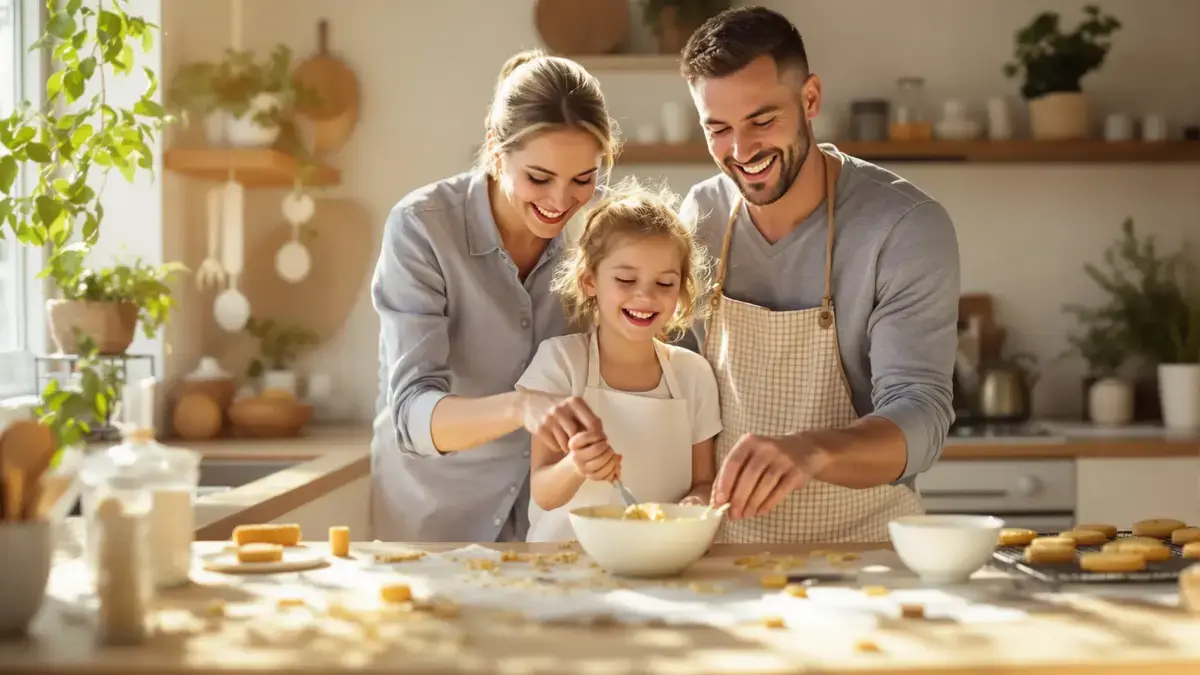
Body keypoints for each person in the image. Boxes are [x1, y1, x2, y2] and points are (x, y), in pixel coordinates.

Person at [676, 6, 960, 543]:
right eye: (718, 129)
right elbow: (674, 389)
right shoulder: (700, 219)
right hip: (717, 557)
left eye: (762, 121)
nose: (741, 152)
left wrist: (812, 450)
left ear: (809, 99)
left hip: (863, 555)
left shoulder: (903, 227)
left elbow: (921, 416)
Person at [369, 49, 618, 543]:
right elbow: (411, 414)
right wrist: (520, 408)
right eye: (538, 178)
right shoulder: (423, 228)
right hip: (435, 521)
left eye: (583, 180)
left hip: (552, 521)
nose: (559, 202)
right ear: (495, 149)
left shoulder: (599, 228)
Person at [514, 178, 722, 542]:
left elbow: (704, 483)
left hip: (657, 561)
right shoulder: (561, 363)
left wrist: (692, 510)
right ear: (590, 279)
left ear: (682, 289)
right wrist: (575, 465)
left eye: (665, 283)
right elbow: (544, 493)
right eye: (626, 279)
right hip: (562, 571)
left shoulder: (693, 374)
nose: (645, 296)